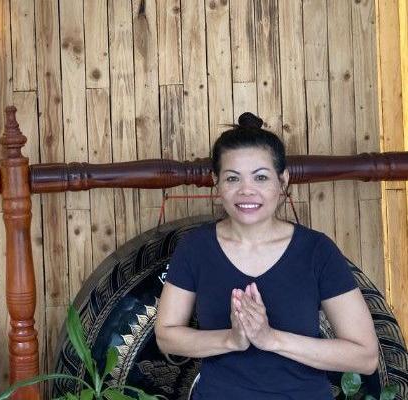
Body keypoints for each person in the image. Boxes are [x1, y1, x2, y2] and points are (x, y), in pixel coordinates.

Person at [154, 112, 379, 399]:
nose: (246, 191)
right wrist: (231, 339)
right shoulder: (196, 247)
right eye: (232, 178)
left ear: (282, 181)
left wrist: (270, 339)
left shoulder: (316, 250)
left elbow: (364, 356)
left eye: (260, 177)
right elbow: (167, 336)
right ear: (216, 183)